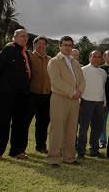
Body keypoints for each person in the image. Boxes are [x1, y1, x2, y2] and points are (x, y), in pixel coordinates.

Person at [0, 29, 31, 161]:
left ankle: (17, 151)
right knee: (3, 122)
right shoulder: (9, 50)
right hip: (8, 93)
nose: (24, 38)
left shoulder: (25, 52)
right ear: (15, 37)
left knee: (20, 123)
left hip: (23, 94)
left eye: (26, 36)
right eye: (22, 36)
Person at [47, 36, 86, 167]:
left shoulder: (75, 62)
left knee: (71, 129)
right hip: (59, 98)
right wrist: (72, 92)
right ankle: (54, 158)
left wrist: (79, 91)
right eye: (65, 45)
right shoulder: (54, 61)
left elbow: (82, 80)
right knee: (57, 129)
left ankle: (69, 157)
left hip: (74, 100)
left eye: (70, 45)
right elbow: (56, 81)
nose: (68, 47)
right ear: (60, 46)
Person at [24, 35, 51, 154]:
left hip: (46, 96)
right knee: (25, 123)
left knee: (43, 123)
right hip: (31, 95)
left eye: (44, 44)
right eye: (39, 43)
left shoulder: (50, 60)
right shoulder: (28, 55)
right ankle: (20, 149)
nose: (41, 46)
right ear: (34, 45)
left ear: (46, 46)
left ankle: (41, 146)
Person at [77, 50, 106, 159]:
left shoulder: (103, 72)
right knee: (83, 129)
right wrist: (79, 101)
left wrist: (104, 102)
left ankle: (94, 150)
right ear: (89, 58)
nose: (96, 58)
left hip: (99, 103)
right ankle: (80, 151)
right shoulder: (83, 70)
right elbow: (79, 86)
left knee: (97, 128)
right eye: (94, 56)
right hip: (86, 102)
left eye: (99, 57)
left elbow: (103, 89)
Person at [99, 50, 109, 149]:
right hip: (103, 100)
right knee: (102, 122)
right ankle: (103, 141)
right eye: (108, 55)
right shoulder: (100, 69)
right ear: (104, 57)